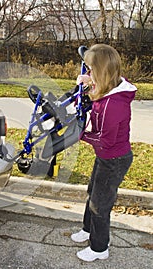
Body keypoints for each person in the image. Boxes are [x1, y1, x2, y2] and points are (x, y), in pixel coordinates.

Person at [71, 44, 137, 262]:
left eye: (91, 70)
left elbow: (106, 140)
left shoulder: (114, 103)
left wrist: (80, 135)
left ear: (100, 71)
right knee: (92, 194)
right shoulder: (109, 87)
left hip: (114, 158)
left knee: (100, 204)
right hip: (106, 156)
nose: (88, 73)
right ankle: (88, 230)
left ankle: (99, 248)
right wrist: (87, 82)